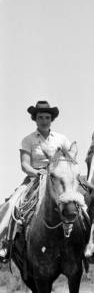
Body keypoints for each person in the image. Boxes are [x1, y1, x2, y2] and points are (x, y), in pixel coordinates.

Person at [0, 101, 73, 259]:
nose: (44, 120)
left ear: (51, 119)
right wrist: (37, 172)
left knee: (79, 201)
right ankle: (4, 243)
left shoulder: (61, 139)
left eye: (47, 117)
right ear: (35, 119)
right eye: (40, 117)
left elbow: (72, 156)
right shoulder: (28, 140)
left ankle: (88, 242)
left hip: (58, 179)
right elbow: (25, 165)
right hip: (35, 178)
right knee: (13, 203)